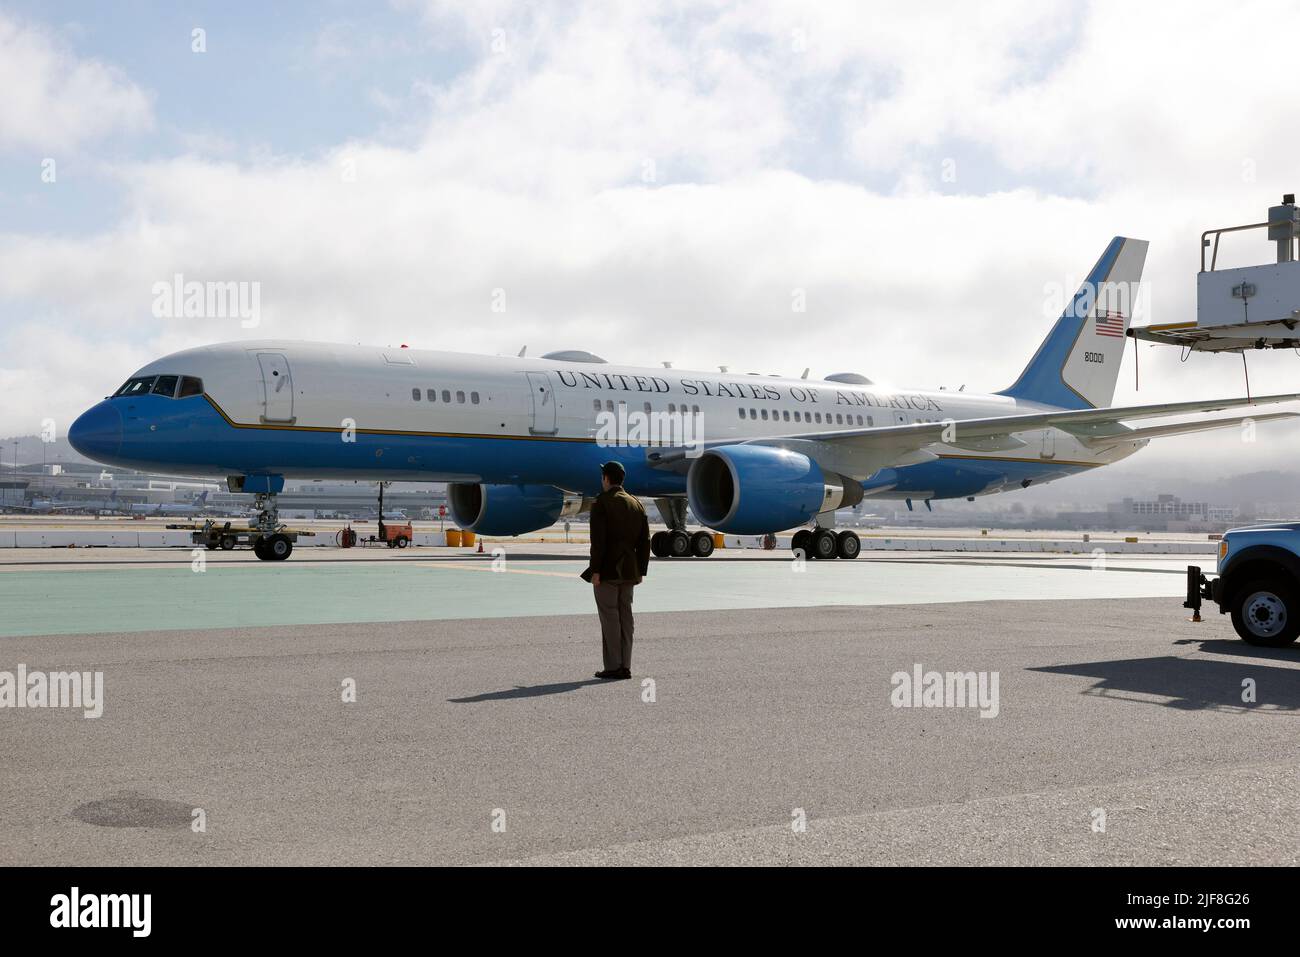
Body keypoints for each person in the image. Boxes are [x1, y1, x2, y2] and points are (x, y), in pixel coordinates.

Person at [581, 461, 650, 680]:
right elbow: (644, 541)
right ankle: (626, 665)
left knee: (610, 617)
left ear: (606, 479)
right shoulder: (636, 503)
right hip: (630, 571)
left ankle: (613, 666)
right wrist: (641, 570)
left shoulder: (602, 503)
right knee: (626, 617)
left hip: (609, 570)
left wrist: (595, 570)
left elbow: (598, 542)